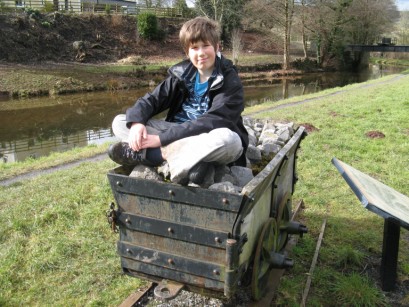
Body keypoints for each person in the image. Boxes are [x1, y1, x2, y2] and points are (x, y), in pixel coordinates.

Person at [108, 16, 248, 185]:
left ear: (217, 46)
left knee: (229, 140)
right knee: (121, 122)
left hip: (209, 136)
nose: (201, 53)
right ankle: (192, 161)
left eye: (206, 45)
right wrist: (137, 123)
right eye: (195, 48)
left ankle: (152, 155)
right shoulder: (181, 74)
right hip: (178, 133)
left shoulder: (229, 79)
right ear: (187, 52)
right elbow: (151, 100)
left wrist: (160, 140)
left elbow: (215, 121)